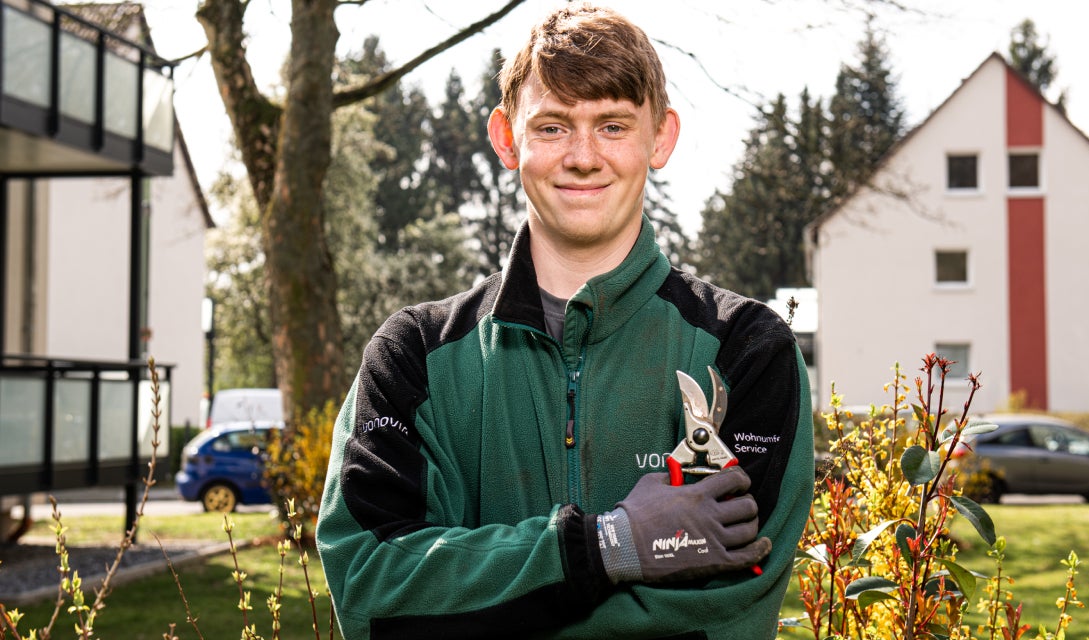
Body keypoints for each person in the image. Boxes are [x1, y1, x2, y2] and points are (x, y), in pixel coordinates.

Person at [316, 4, 814, 638]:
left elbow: (723, 614)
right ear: (506, 138)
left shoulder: (747, 352)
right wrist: (609, 547)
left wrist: (485, 607)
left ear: (659, 138)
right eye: (552, 127)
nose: (583, 157)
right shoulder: (413, 358)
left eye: (612, 125)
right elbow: (372, 591)